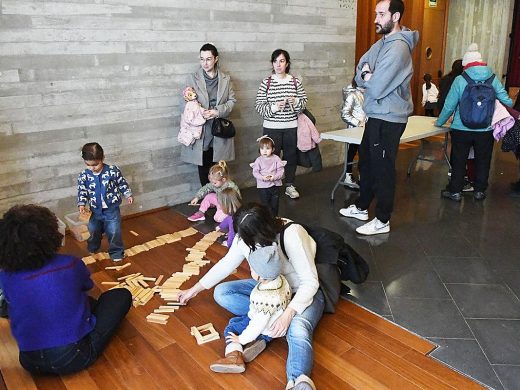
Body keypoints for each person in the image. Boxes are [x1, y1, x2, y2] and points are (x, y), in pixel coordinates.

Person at [179, 203, 323, 390]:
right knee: (222, 293)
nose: (246, 243)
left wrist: (288, 314)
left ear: (265, 229)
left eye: (249, 238)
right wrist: (193, 290)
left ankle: (297, 380)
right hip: (268, 290)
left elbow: (310, 282)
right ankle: (265, 326)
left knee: (298, 329)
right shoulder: (245, 237)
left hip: (299, 293)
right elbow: (226, 265)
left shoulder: (292, 233)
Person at [0, 204, 132, 375]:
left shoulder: (6, 276)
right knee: (121, 295)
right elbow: (87, 287)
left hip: (29, 361)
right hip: (73, 357)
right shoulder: (70, 263)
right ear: (52, 235)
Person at [339, 0, 418, 235]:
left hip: (389, 118)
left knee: (383, 168)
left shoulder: (398, 48)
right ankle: (362, 207)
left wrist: (370, 78)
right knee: (367, 162)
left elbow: (377, 88)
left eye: (381, 14)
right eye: (375, 14)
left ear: (395, 16)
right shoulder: (383, 42)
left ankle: (382, 220)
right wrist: (367, 74)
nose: (375, 19)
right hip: (376, 114)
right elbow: (361, 66)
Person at [435, 43, 512, 201]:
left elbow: (449, 105)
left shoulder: (460, 79)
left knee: (458, 159)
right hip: (485, 129)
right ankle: (479, 191)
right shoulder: (492, 78)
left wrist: (440, 122)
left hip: (461, 128)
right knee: (483, 159)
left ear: (466, 65)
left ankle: (455, 191)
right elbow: (508, 102)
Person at [209, 243, 292, 373]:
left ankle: (234, 357)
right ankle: (260, 341)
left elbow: (257, 323)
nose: (250, 270)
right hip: (273, 325)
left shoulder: (265, 298)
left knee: (232, 327)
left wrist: (241, 339)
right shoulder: (280, 280)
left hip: (264, 326)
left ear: (262, 276)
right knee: (258, 329)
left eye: (252, 269)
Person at [181, 43, 237, 186]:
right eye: (202, 59)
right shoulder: (192, 78)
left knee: (218, 165)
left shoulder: (226, 79)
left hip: (219, 127)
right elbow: (187, 103)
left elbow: (232, 102)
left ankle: (219, 197)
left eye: (208, 59)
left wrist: (217, 111)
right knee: (203, 162)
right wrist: (199, 110)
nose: (205, 63)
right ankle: (207, 196)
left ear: (216, 59)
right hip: (201, 128)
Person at [255, 49, 308, 200]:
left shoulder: (295, 82)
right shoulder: (267, 82)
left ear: (287, 63)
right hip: (272, 128)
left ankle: (289, 185)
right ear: (272, 63)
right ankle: (272, 185)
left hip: (291, 126)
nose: (278, 65)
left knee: (291, 157)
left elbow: (303, 103)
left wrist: (296, 101)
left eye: (282, 61)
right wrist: (274, 107)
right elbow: (259, 106)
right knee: (271, 158)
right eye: (275, 61)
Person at [78, 142, 133, 262]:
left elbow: (121, 183)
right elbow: (82, 191)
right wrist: (82, 203)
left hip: (111, 209)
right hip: (94, 210)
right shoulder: (84, 176)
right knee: (93, 230)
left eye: (96, 165)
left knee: (114, 231)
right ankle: (93, 246)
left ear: (102, 158)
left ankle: (116, 252)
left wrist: (127, 194)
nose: (92, 168)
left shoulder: (112, 171)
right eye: (88, 165)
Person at [250, 135, 287, 216]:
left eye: (267, 148)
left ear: (273, 149)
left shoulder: (276, 158)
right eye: (262, 148)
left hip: (275, 185)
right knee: (265, 204)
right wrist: (262, 177)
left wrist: (274, 177)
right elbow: (255, 172)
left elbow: (280, 171)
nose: (265, 151)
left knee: (275, 203)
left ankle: (275, 217)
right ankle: (267, 218)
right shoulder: (258, 160)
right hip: (263, 187)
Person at [340, 77, 366, 189]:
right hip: (355, 130)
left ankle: (363, 176)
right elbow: (344, 113)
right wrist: (357, 122)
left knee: (364, 154)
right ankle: (348, 175)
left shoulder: (370, 94)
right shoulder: (353, 95)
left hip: (367, 129)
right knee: (353, 151)